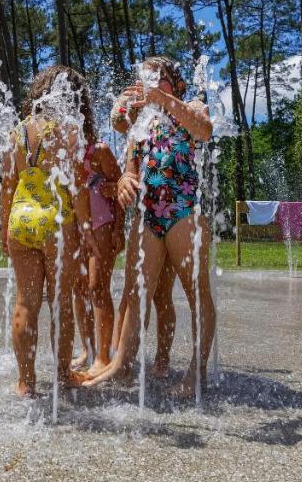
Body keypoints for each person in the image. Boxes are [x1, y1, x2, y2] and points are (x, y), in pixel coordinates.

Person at [85, 57, 216, 398]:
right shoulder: (143, 122)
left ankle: (196, 373)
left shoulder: (191, 106)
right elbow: (130, 165)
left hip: (183, 212)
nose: (151, 86)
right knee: (135, 292)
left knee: (195, 293)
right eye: (147, 81)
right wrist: (127, 179)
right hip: (148, 213)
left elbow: (204, 130)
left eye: (159, 79)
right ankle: (120, 366)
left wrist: (163, 100)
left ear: (176, 84)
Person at [0, 66, 95, 397]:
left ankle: (25, 383)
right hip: (57, 221)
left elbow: (7, 187)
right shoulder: (68, 132)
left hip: (21, 220)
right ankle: (63, 375)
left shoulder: (18, 133)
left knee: (25, 302)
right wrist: (86, 228)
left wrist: (3, 229)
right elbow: (78, 186)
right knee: (60, 302)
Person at [70, 132, 124, 374]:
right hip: (75, 225)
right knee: (79, 288)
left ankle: (103, 357)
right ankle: (87, 349)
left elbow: (121, 186)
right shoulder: (64, 149)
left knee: (97, 286)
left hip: (102, 224)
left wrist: (119, 230)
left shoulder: (99, 150)